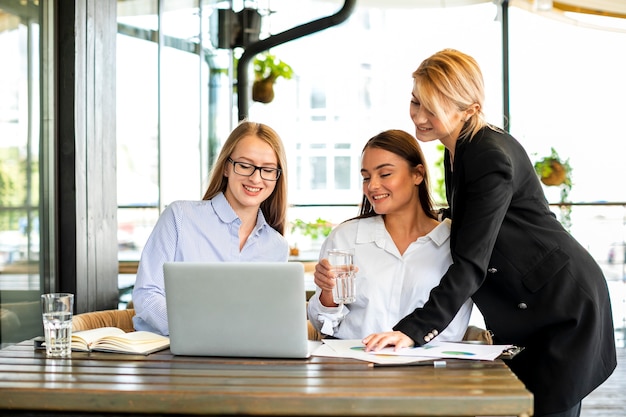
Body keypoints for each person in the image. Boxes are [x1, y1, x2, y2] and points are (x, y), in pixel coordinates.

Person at [362, 49, 617, 417]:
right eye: (415, 101)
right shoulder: (460, 150)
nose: (418, 116)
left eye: (430, 108)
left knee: (546, 408)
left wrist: (413, 330)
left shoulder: (488, 155)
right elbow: (474, 216)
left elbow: (471, 263)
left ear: (468, 108)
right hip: (533, 303)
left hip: (560, 306)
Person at [308, 129, 473, 341]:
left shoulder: (455, 242)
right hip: (355, 365)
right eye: (366, 177)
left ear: (417, 174)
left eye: (385, 174)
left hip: (431, 367)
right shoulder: (345, 238)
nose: (372, 186)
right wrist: (327, 295)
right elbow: (324, 325)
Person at [132, 121, 289, 336]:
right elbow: (147, 295)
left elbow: (267, 317)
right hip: (169, 355)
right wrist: (200, 330)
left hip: (243, 359)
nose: (255, 177)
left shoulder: (276, 247)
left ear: (277, 176)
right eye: (244, 165)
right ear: (226, 167)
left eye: (268, 169)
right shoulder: (180, 217)